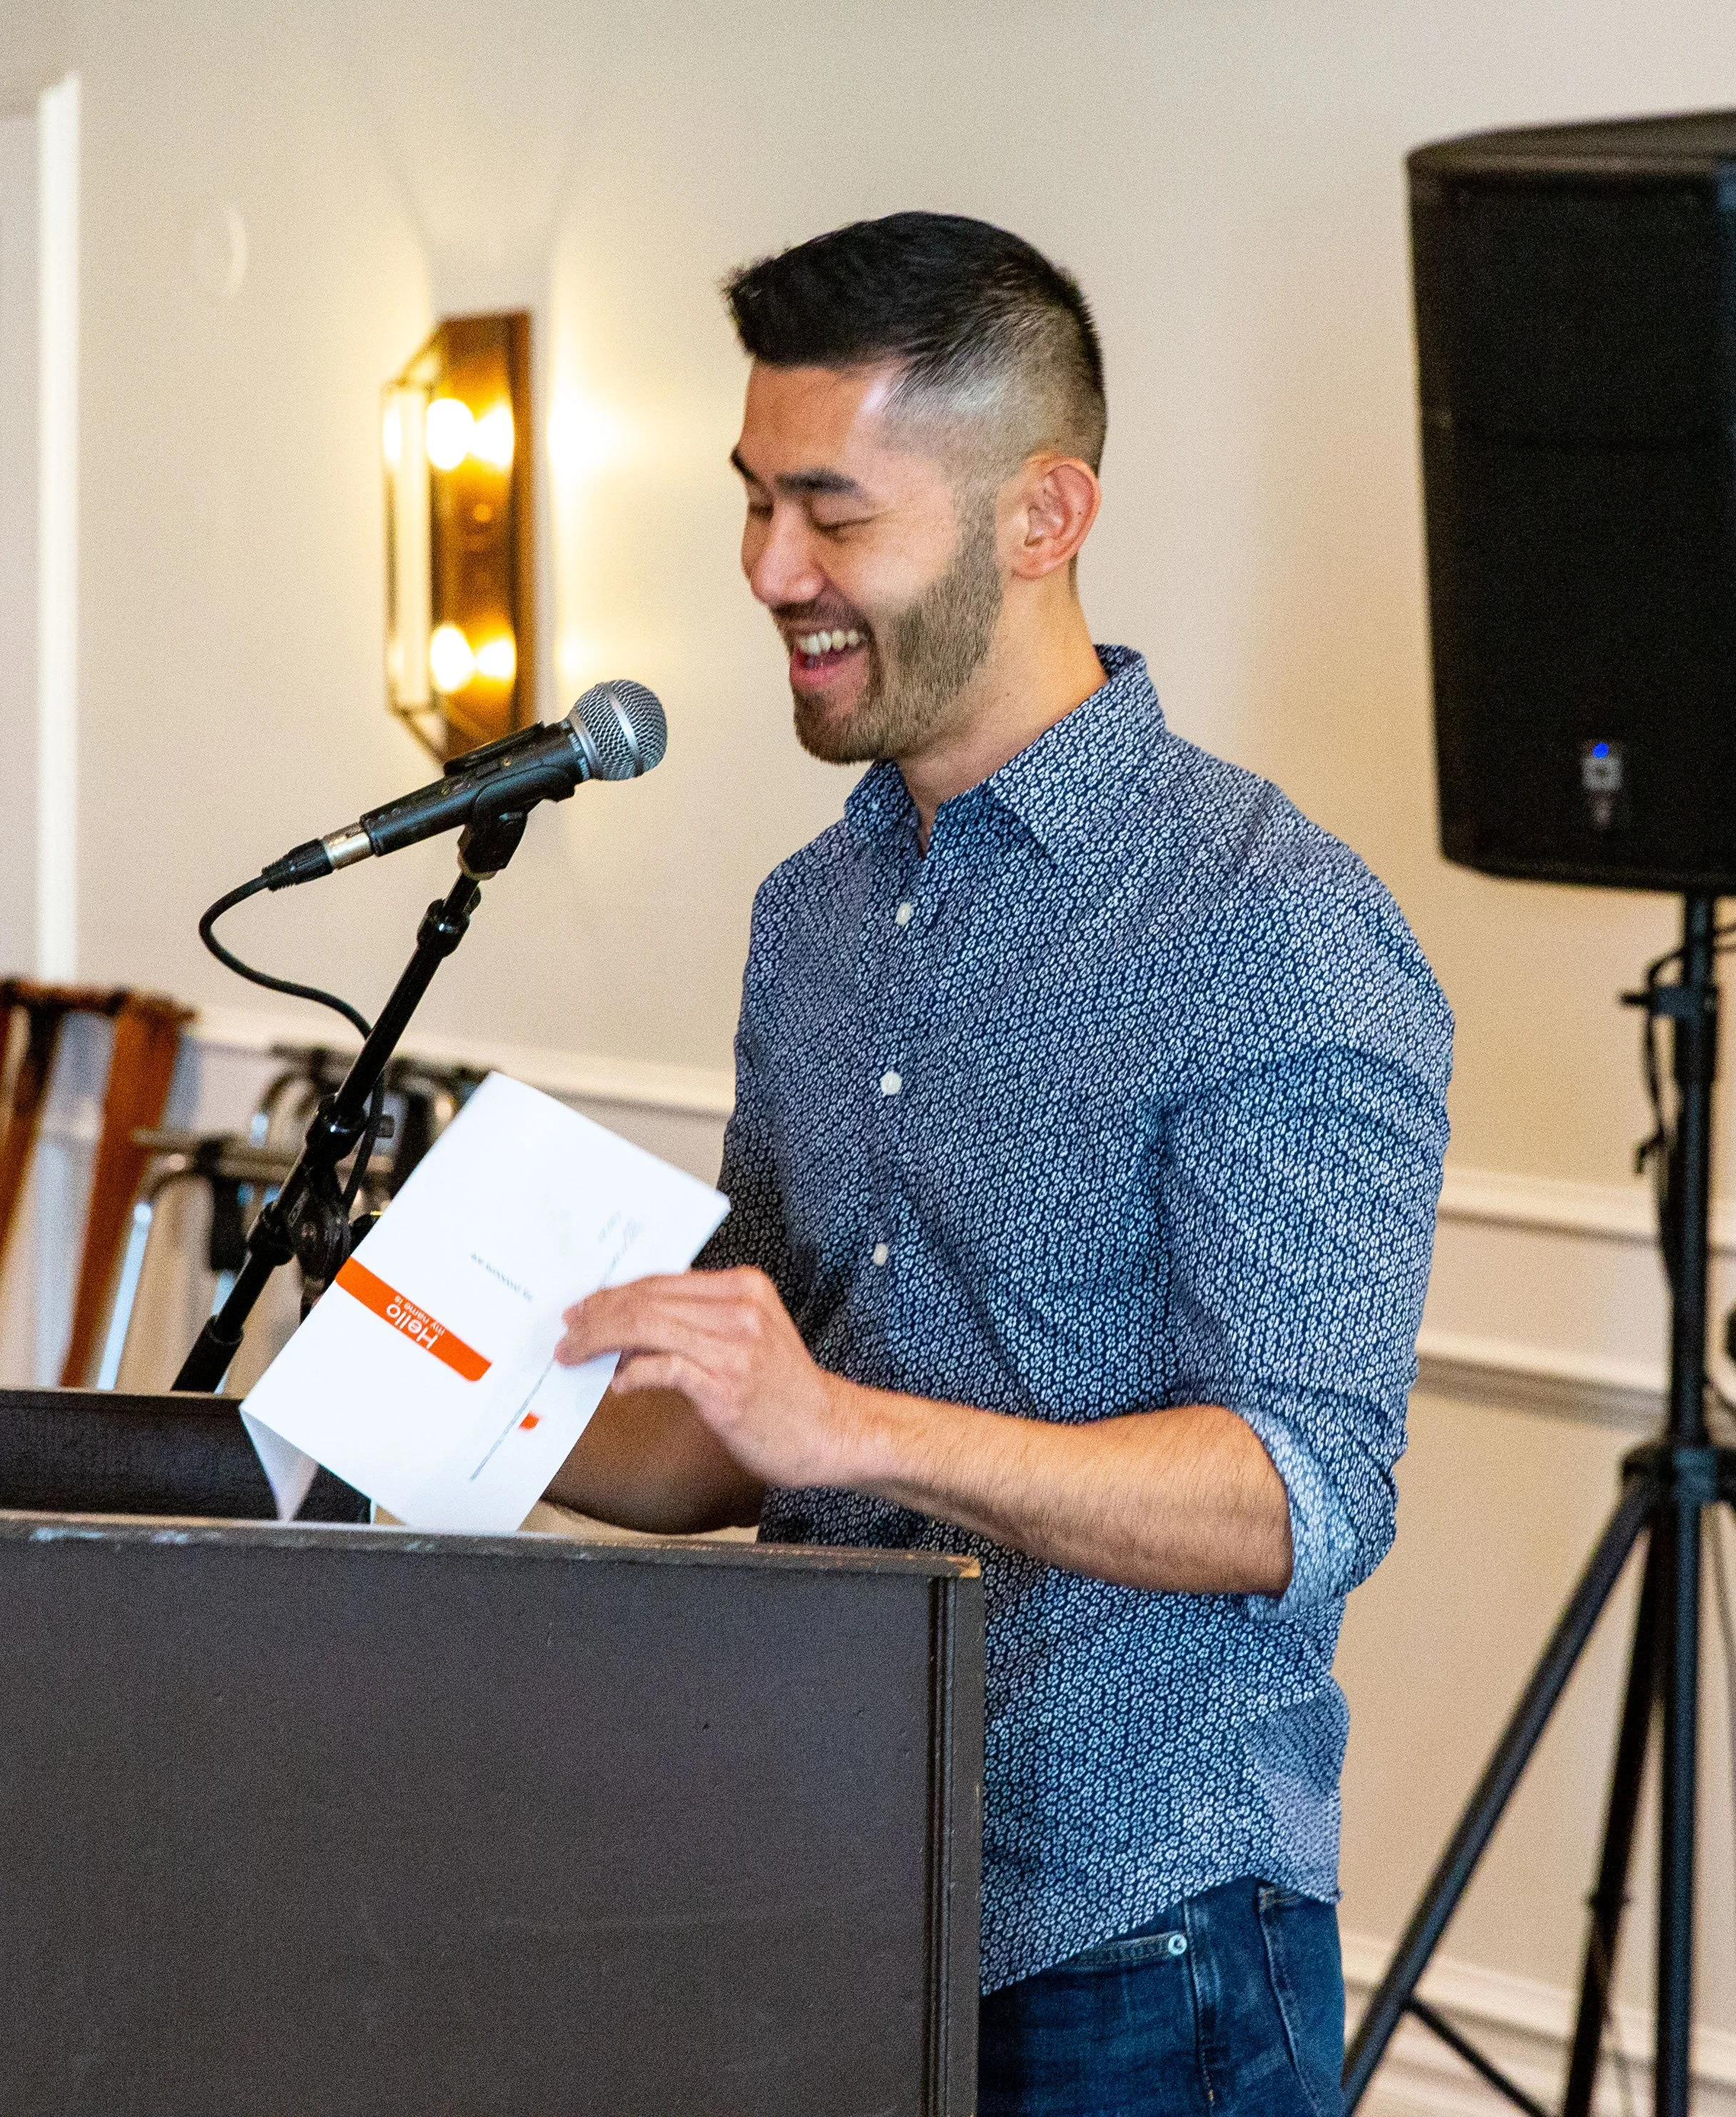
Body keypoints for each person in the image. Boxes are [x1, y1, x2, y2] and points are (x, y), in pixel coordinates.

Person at [547, 211, 1452, 2117]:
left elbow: (1298, 1495)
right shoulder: (810, 913)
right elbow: (756, 1426)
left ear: (1043, 515)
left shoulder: (1272, 922)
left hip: (1140, 1944)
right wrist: (454, 1397)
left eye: (831, 512)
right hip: (819, 1899)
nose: (767, 570)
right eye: (751, 503)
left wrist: (850, 1426)